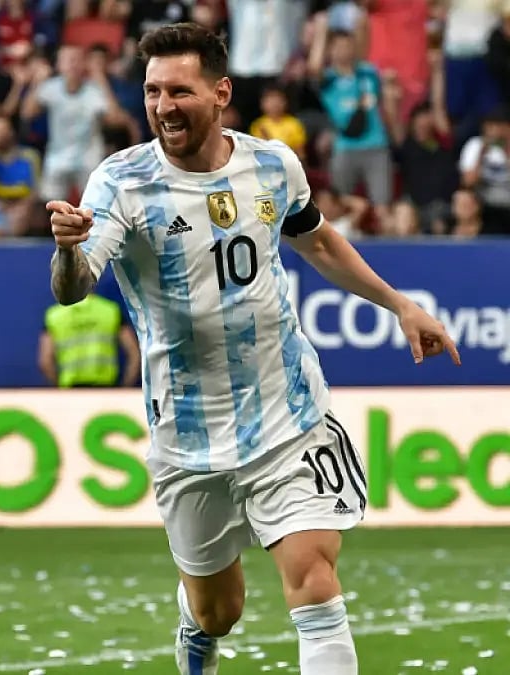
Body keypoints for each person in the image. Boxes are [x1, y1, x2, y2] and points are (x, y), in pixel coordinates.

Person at [47, 23, 461, 675]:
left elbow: (319, 242)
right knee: (220, 610)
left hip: (287, 410)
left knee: (314, 579)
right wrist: (69, 249)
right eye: (153, 91)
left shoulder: (273, 164)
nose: (162, 105)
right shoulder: (120, 182)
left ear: (220, 92)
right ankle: (196, 629)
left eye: (178, 90)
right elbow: (75, 289)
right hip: (187, 430)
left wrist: (399, 302)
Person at [38, 293, 140, 388]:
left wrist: (60, 389)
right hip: (106, 390)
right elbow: (135, 354)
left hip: (70, 392)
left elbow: (45, 361)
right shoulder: (110, 310)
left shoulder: (54, 316)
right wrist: (125, 389)